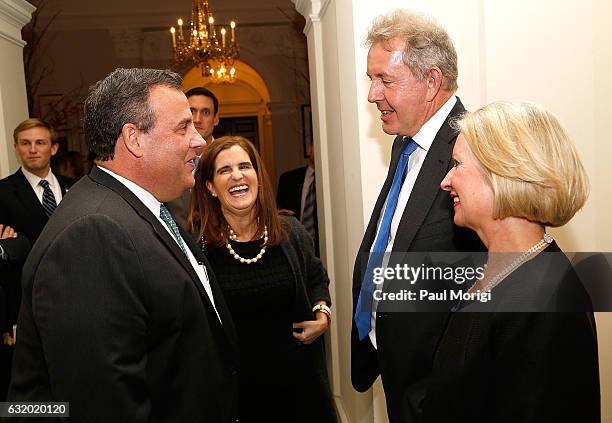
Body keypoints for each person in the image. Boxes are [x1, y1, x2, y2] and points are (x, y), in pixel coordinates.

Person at [8, 68, 240, 422]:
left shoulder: (140, 207)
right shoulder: (92, 233)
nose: (200, 140)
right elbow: (103, 402)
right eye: (183, 127)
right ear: (133, 138)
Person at [425, 101, 600, 422]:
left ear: (503, 173)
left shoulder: (547, 304)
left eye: (458, 164)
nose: (445, 181)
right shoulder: (499, 270)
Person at [351, 9, 482, 422]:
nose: (372, 95)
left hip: (440, 392)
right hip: (399, 372)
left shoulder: (475, 148)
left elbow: (485, 279)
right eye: (372, 80)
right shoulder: (407, 141)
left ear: (432, 82)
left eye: (385, 81)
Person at [188, 136, 337, 423]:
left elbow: (316, 278)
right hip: (238, 396)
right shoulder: (198, 248)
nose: (237, 175)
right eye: (224, 170)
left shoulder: (290, 232)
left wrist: (323, 316)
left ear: (257, 176)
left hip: (301, 390)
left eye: (245, 166)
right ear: (211, 188)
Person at [0, 118, 72, 399]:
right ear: (16, 149)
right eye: (25, 143)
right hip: (23, 308)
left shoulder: (76, 188)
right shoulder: (3, 193)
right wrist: (8, 320)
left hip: (72, 303)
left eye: (40, 143)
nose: (33, 150)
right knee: (26, 391)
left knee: (68, 382)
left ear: (53, 148)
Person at [167, 86, 220, 229]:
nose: (197, 119)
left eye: (206, 112)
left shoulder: (229, 159)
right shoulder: (167, 161)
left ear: (215, 119)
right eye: (191, 111)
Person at [276, 141, 319, 255]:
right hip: (292, 245)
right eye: (317, 145)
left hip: (324, 247)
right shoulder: (287, 179)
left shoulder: (334, 183)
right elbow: (278, 210)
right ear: (310, 149)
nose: (320, 150)